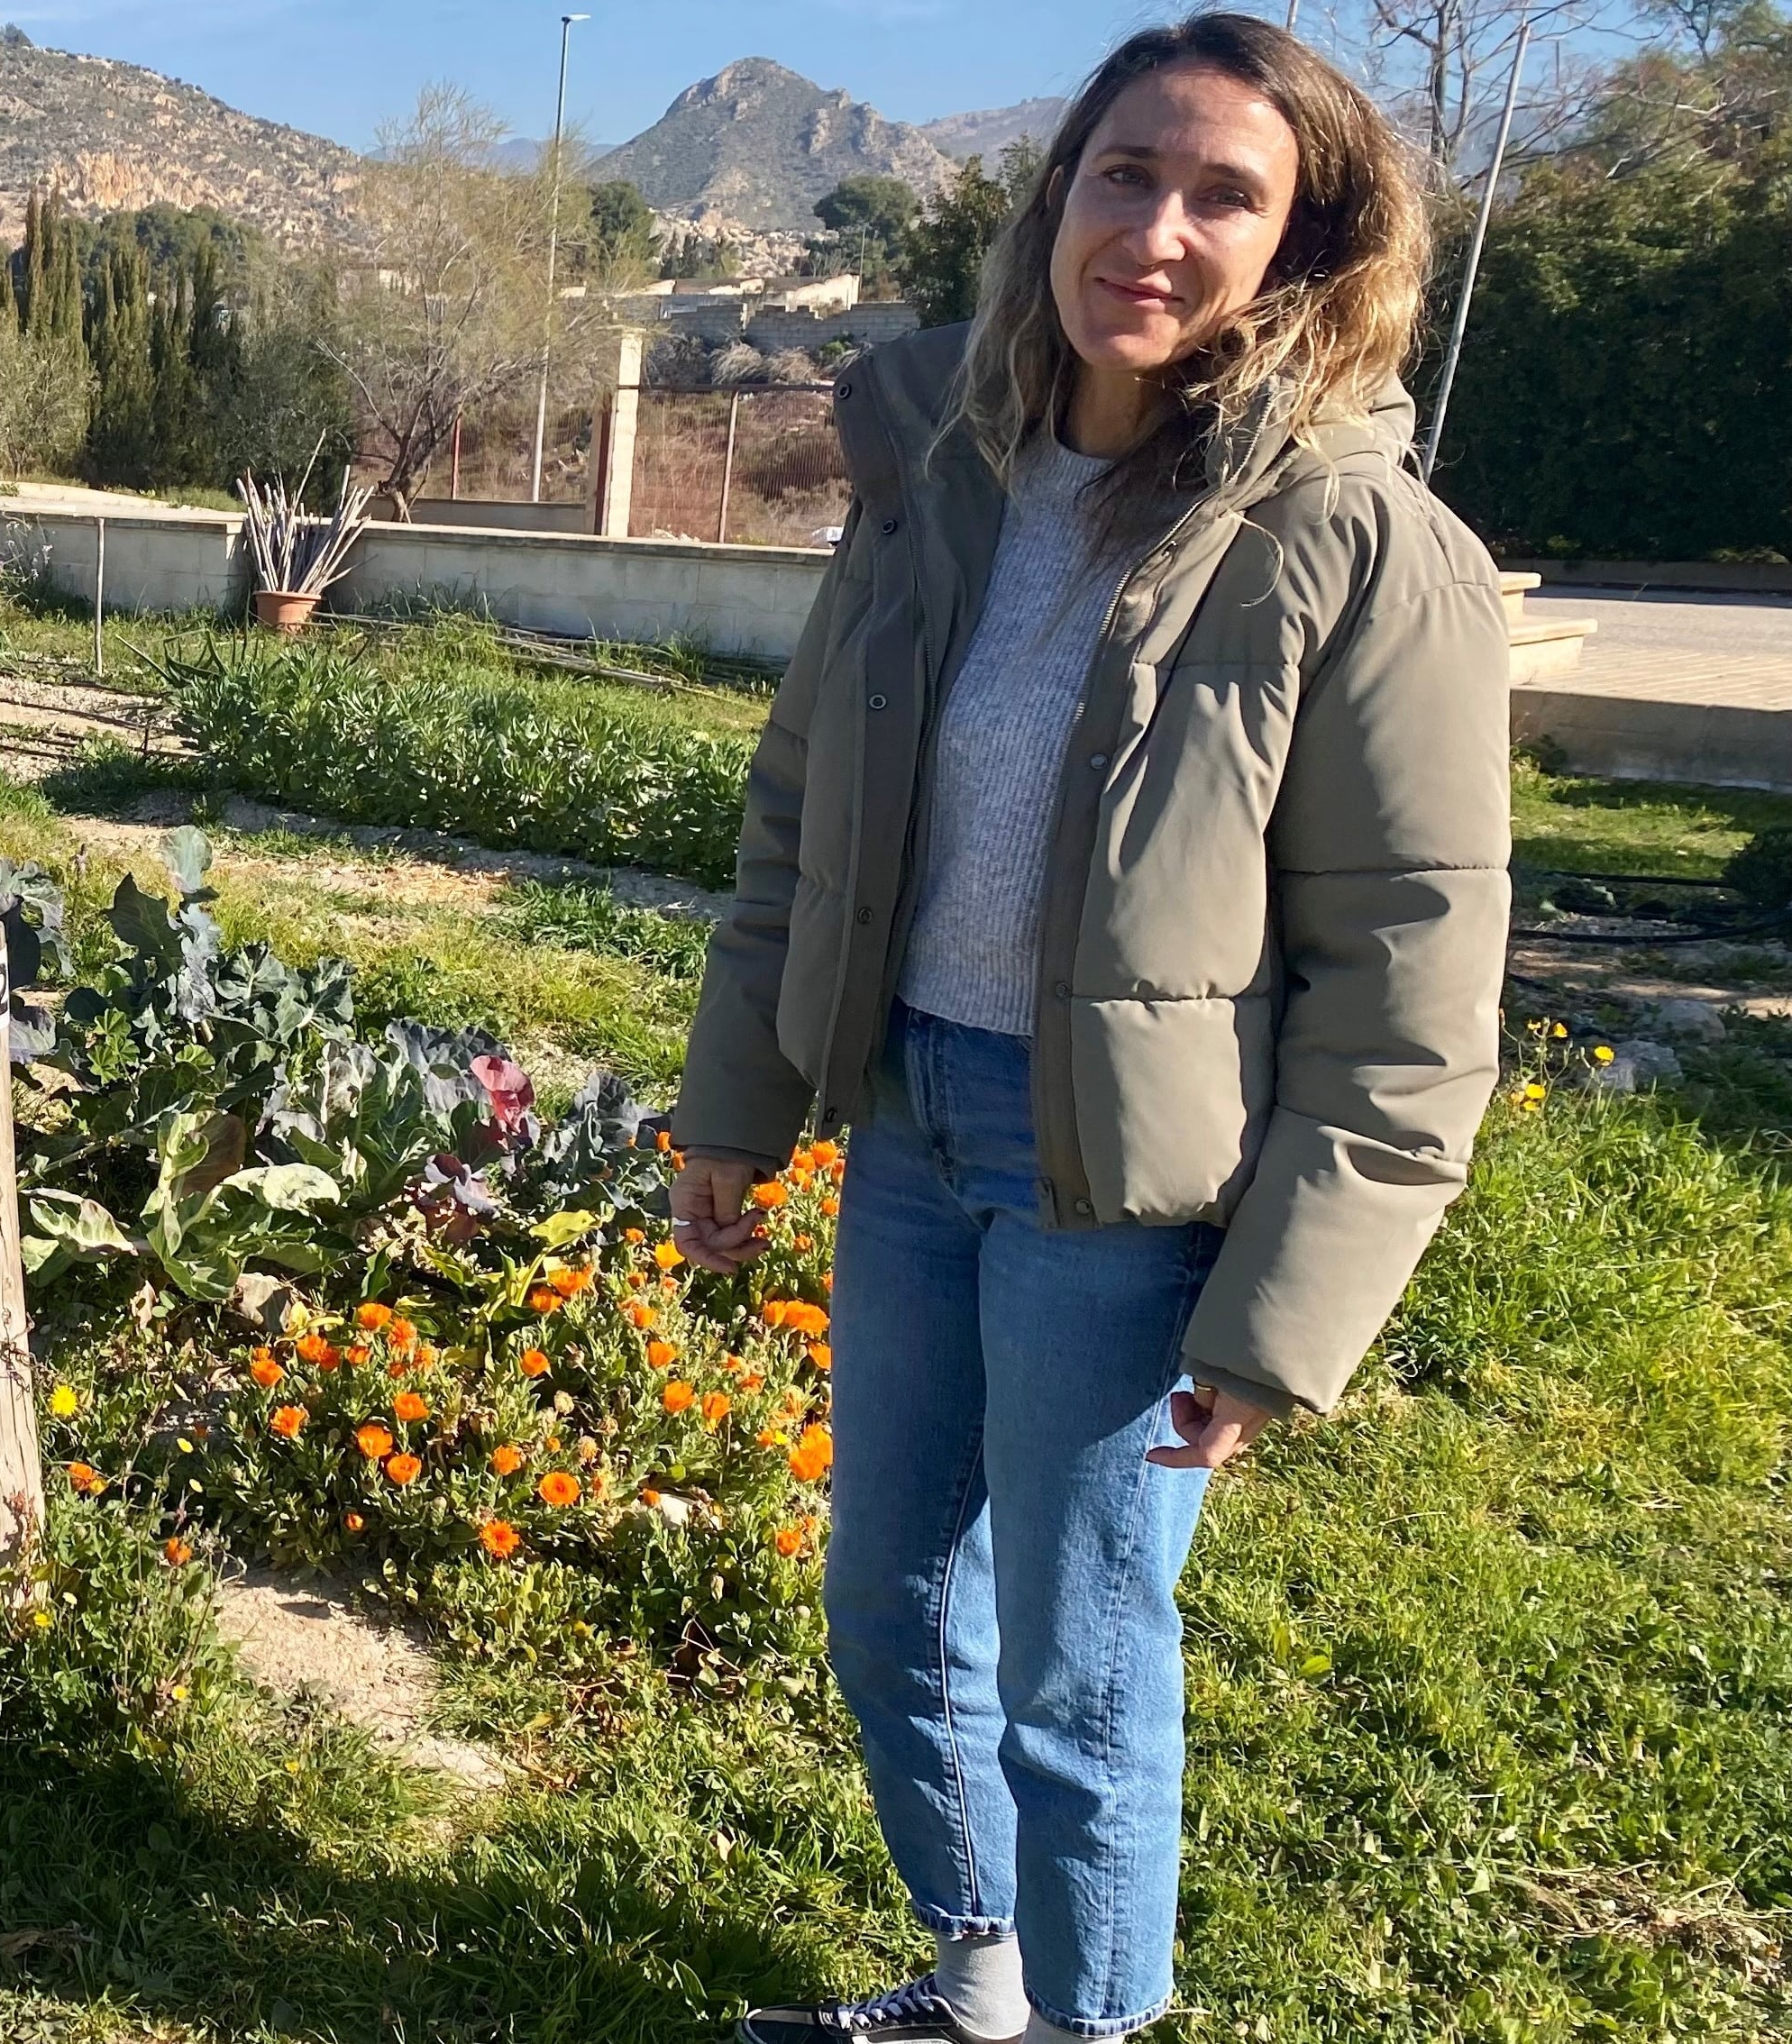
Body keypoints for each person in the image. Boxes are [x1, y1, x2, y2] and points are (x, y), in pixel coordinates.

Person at [670, 16, 1513, 2043]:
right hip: (914, 1134)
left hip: (1123, 1204)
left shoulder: (1357, 545)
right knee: (889, 1611)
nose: (1156, 227)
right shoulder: (942, 479)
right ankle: (984, 1983)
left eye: (1226, 192)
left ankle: (1088, 2026)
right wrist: (740, 1107)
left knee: (1078, 1666)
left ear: (1309, 247)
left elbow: (1413, 988)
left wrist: (1276, 1321)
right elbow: (803, 815)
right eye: (1123, 174)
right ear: (1057, 200)